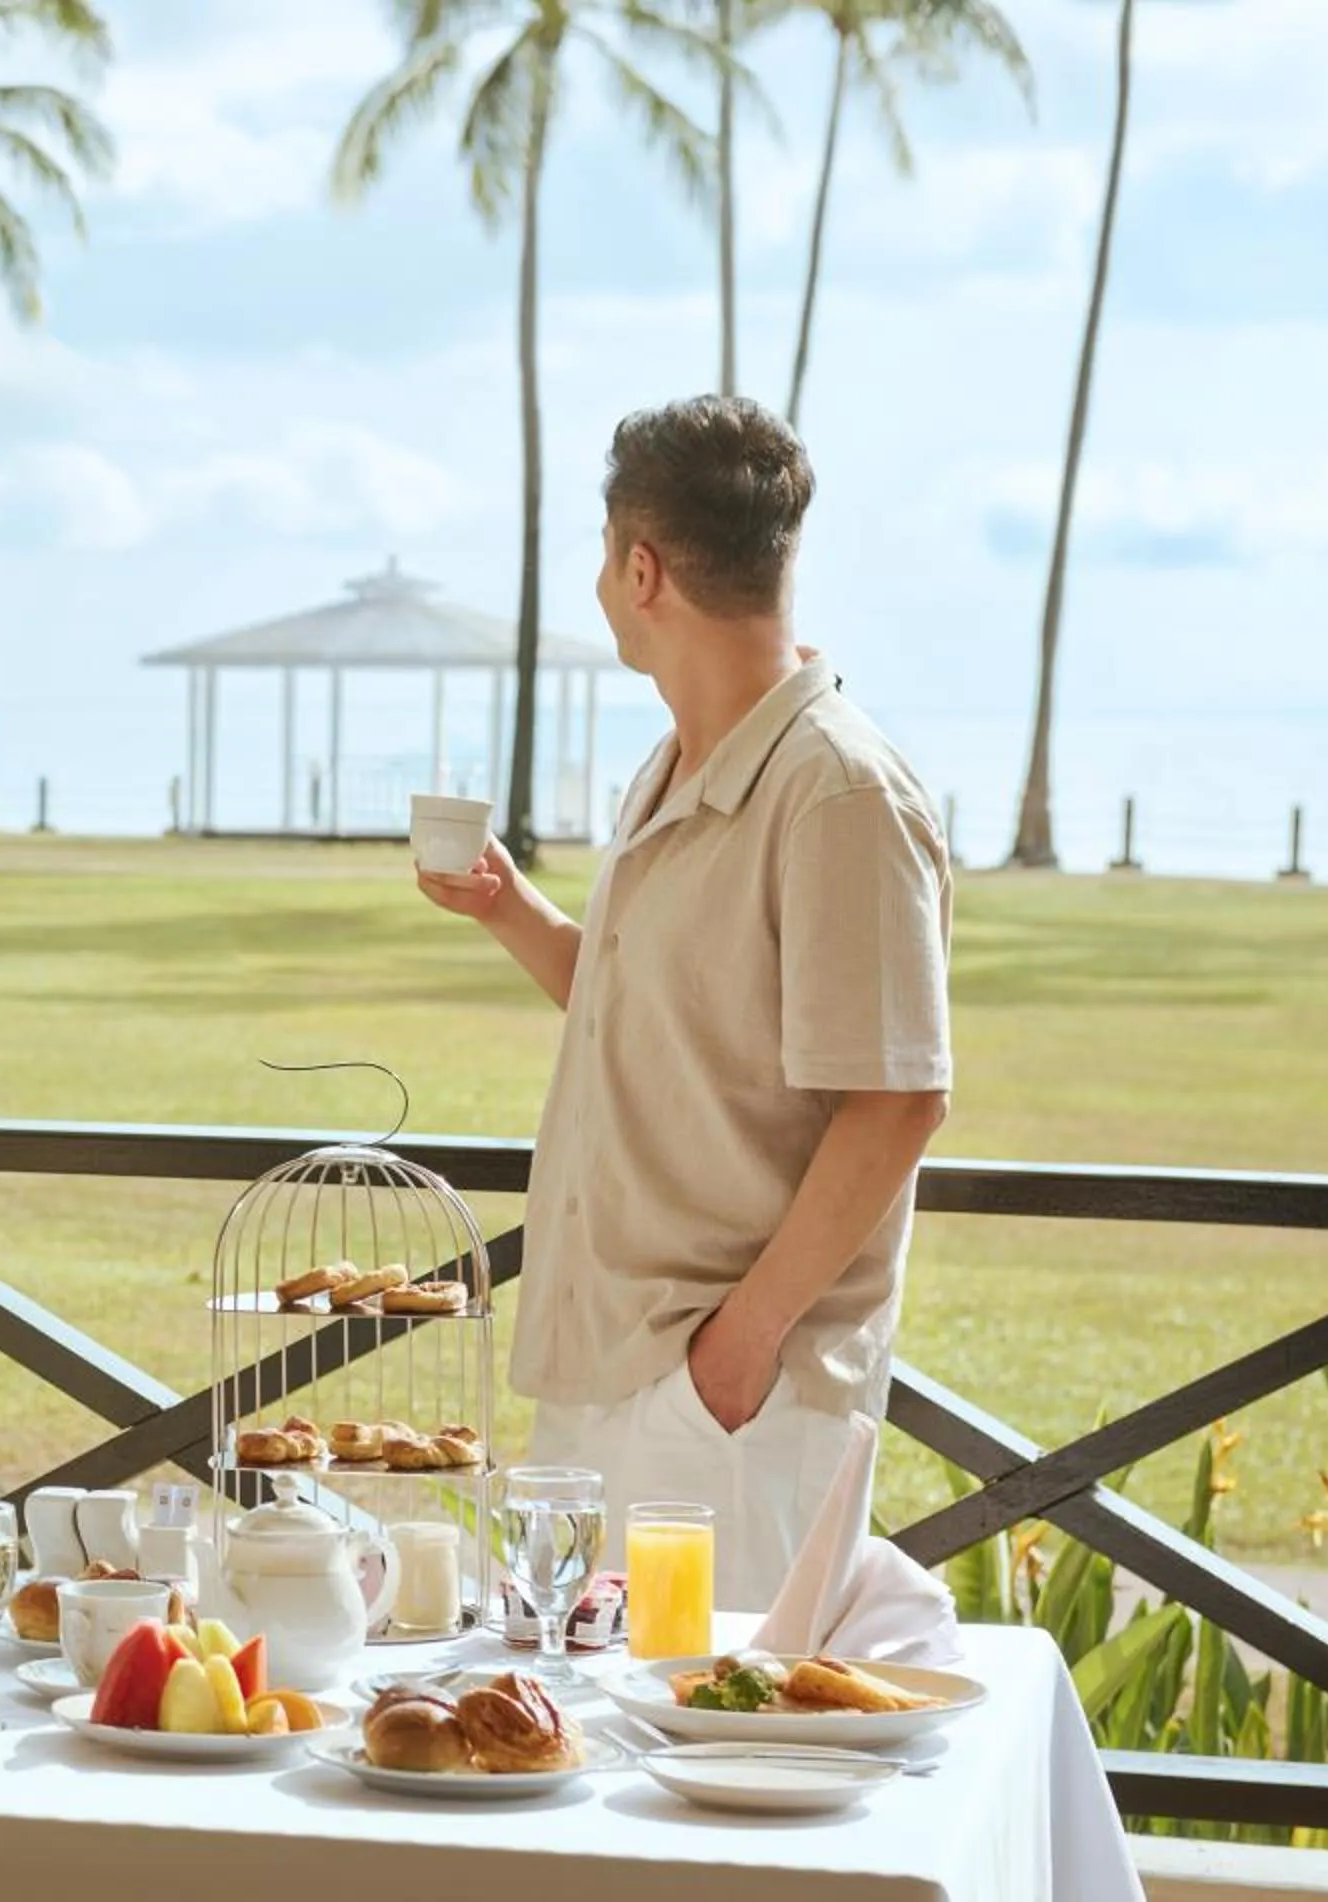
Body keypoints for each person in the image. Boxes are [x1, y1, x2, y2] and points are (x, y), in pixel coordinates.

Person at [417, 397, 953, 1611]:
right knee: (583, 1753)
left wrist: (736, 1355)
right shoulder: (673, 768)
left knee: (722, 1759)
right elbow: (651, 1019)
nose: (603, 586)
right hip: (604, 1368)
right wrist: (514, 913)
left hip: (720, 1404)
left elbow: (898, 1100)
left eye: (606, 560)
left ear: (641, 567)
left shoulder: (838, 794)